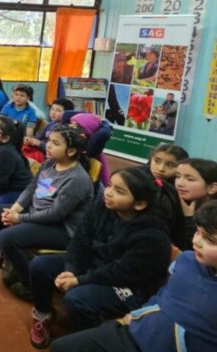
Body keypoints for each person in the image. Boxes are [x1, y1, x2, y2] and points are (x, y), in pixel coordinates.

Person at [27, 167, 172, 348]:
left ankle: (89, 341)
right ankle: (43, 314)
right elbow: (80, 240)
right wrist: (71, 271)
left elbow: (121, 272)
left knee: (77, 298)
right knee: (39, 266)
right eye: (110, 185)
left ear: (140, 204)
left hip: (130, 286)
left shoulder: (152, 235)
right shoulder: (102, 206)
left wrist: (79, 280)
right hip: (97, 267)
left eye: (119, 191)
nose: (108, 193)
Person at [50, 200, 217, 352]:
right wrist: (139, 313)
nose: (197, 241)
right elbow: (165, 293)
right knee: (61, 347)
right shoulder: (187, 261)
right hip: (138, 332)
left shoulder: (151, 235)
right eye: (197, 232)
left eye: (210, 240)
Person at [0, 126, 94, 300]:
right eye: (49, 140)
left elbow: (55, 214)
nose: (48, 145)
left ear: (71, 151)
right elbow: (32, 187)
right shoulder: (50, 163)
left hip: (61, 229)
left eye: (55, 143)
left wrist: (19, 218)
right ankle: (15, 261)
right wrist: (14, 210)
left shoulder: (77, 179)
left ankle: (30, 285)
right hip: (38, 213)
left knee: (7, 237)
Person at [140, 144, 190, 250]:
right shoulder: (135, 179)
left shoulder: (183, 190)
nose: (161, 168)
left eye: (170, 165)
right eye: (156, 161)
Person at [173, 158, 217, 250]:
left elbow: (191, 250)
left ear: (212, 188)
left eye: (190, 179)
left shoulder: (213, 214)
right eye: (177, 177)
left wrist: (189, 218)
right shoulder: (173, 202)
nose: (179, 183)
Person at [23, 98, 74, 163]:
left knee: (25, 159)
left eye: (58, 110)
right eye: (52, 109)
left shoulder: (65, 129)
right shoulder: (50, 124)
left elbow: (55, 149)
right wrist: (30, 140)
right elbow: (40, 137)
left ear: (67, 113)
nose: (53, 112)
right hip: (41, 150)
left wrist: (40, 144)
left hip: (48, 156)